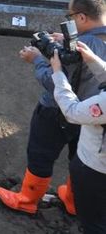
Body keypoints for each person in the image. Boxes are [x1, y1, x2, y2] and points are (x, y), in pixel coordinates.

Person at [0, 0, 106, 216]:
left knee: (41, 154)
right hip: (93, 119)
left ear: (82, 17)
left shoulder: (79, 50)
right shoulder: (88, 42)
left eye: (71, 16)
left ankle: (27, 200)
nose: (70, 21)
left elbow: (56, 82)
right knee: (79, 158)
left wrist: (37, 59)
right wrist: (66, 39)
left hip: (57, 112)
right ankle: (73, 201)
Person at [52, 38, 106, 231]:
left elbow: (72, 112)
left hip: (95, 170)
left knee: (93, 222)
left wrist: (58, 73)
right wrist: (91, 59)